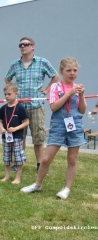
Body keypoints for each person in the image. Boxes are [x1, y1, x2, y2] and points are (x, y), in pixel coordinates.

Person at [21, 57, 86, 199]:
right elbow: (54, 106)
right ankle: (37, 185)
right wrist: (69, 93)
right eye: (68, 70)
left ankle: (67, 188)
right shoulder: (56, 87)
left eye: (75, 70)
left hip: (75, 126)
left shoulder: (78, 88)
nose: (72, 73)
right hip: (58, 126)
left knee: (72, 159)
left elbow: (82, 110)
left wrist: (81, 95)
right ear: (62, 71)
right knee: (46, 159)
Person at [5, 37, 60, 172]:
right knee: (18, 137)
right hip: (19, 108)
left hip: (36, 106)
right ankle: (19, 162)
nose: (23, 46)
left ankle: (39, 165)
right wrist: (13, 91)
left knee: (38, 136)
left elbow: (56, 76)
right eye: (20, 45)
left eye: (26, 44)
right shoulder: (15, 65)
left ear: (33, 46)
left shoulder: (42, 62)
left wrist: (47, 90)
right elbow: (7, 78)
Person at [0, 83, 29, 184]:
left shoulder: (20, 108)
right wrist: (2, 128)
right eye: (5, 94)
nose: (6, 96)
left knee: (18, 157)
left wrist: (15, 129)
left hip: (17, 137)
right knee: (7, 157)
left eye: (9, 94)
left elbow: (27, 122)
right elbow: (0, 121)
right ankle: (7, 176)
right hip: (6, 137)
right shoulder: (3, 108)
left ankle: (18, 178)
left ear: (16, 94)